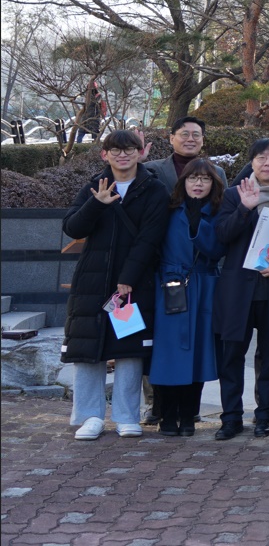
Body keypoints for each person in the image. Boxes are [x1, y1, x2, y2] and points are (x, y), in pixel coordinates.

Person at [62, 129, 169, 441]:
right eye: (116, 150)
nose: (123, 155)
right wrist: (97, 203)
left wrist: (127, 279)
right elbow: (72, 226)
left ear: (141, 153)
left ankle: (126, 416)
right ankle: (89, 416)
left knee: (129, 349)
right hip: (91, 282)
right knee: (87, 348)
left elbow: (150, 238)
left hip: (132, 286)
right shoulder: (95, 186)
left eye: (129, 149)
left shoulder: (153, 190)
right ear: (104, 154)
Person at [213, 138, 269, 439]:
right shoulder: (235, 195)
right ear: (252, 163)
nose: (268, 163)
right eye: (261, 158)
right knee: (232, 355)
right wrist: (244, 210)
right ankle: (231, 417)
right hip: (238, 290)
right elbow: (222, 236)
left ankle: (265, 416)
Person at [150, 158, 226, 437]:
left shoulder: (217, 212)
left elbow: (215, 251)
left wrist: (198, 223)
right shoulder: (168, 210)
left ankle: (189, 416)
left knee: (199, 353)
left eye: (205, 179)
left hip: (205, 286)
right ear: (183, 182)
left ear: (213, 184)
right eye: (193, 178)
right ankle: (166, 415)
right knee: (169, 353)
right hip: (170, 285)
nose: (198, 183)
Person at [143, 117, 206, 191]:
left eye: (196, 135)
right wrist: (136, 162)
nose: (190, 139)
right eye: (185, 134)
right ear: (172, 139)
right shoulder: (150, 168)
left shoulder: (216, 172)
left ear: (202, 141)